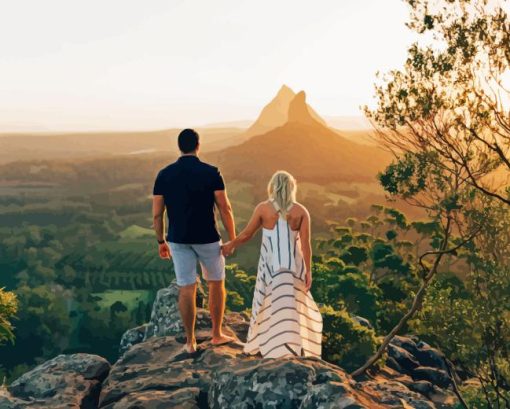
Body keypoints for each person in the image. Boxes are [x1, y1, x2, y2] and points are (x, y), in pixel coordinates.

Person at [152, 128, 237, 353]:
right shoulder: (211, 172)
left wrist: (161, 241)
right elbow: (225, 207)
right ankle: (216, 334)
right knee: (216, 283)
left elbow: (157, 214)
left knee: (186, 288)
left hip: (178, 240)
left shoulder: (164, 174)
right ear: (198, 145)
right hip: (208, 238)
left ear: (179, 147)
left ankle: (190, 342)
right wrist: (233, 238)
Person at [222, 170, 322, 358]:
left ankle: (269, 347)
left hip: (270, 266)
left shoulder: (263, 209)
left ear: (273, 187)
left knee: (268, 303)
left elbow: (246, 235)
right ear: (291, 187)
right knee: (292, 307)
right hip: (294, 266)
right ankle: (291, 349)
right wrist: (308, 271)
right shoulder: (301, 211)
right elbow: (306, 244)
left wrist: (230, 244)